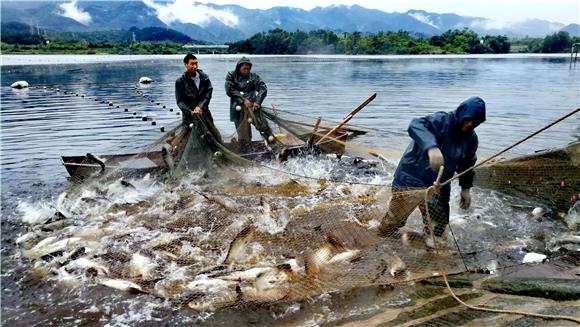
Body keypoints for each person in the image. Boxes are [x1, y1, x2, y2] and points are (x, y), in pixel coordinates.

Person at [378, 96, 486, 248]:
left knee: (438, 225)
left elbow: (467, 165)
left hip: (438, 185)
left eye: (475, 122)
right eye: (468, 119)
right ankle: (380, 242)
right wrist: (431, 147)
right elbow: (415, 125)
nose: (470, 123)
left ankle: (430, 249)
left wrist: (466, 189)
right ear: (462, 113)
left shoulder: (471, 139)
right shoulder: (442, 120)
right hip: (410, 179)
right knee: (394, 221)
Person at [225, 57, 268, 147]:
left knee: (264, 127)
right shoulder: (231, 75)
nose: (246, 71)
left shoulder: (253, 77)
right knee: (244, 135)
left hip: (253, 107)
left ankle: (271, 143)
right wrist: (243, 99)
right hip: (237, 109)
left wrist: (257, 101)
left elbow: (263, 88)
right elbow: (229, 90)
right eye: (244, 68)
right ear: (238, 67)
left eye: (248, 69)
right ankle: (246, 149)